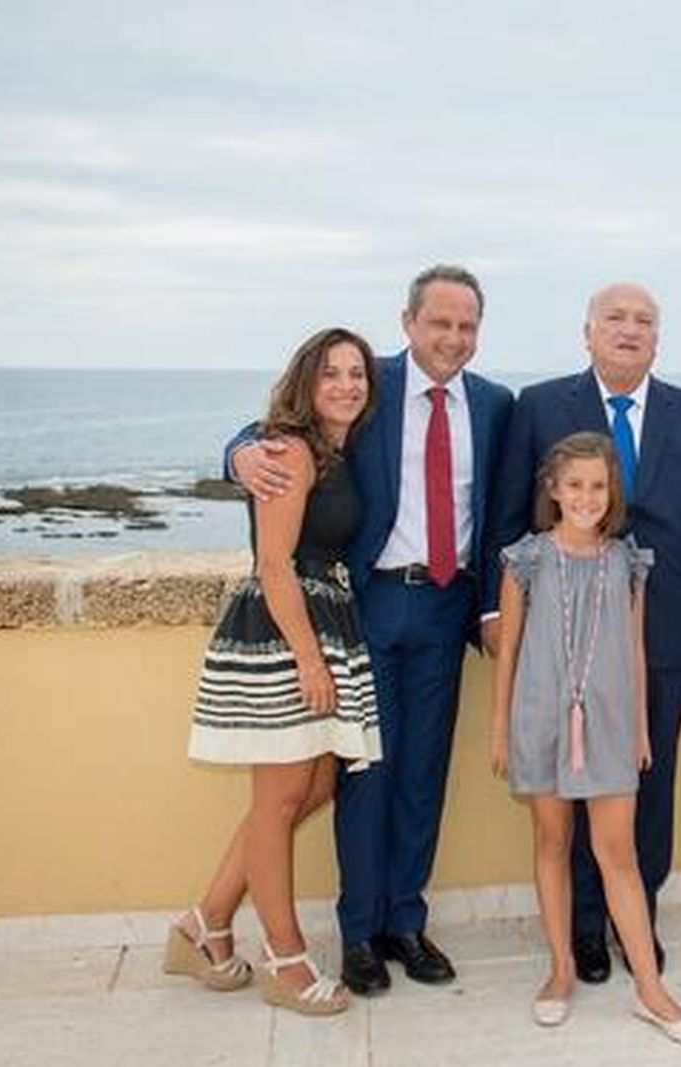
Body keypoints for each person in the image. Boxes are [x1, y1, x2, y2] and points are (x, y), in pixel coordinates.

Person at [228, 266, 514, 995]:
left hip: (448, 608)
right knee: (367, 775)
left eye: (466, 325)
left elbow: (504, 509)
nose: (453, 337)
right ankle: (358, 932)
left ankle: (404, 922)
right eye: (439, 322)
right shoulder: (368, 383)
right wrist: (236, 454)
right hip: (369, 607)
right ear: (409, 322)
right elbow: (283, 428)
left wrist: (488, 606)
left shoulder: (496, 404)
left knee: (423, 773)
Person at [486, 283, 681, 984]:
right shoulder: (538, 406)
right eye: (615, 319)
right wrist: (492, 610)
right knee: (568, 784)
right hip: (559, 634)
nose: (629, 330)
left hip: (665, 630)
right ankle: (584, 929)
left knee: (644, 774)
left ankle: (639, 919)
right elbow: (507, 515)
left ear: (658, 338)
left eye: (645, 321)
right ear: (588, 332)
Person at [168, 327, 382, 1016]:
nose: (347, 384)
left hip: (321, 621)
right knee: (284, 794)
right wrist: (311, 660)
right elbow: (274, 563)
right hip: (284, 631)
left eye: (357, 373)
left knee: (307, 786)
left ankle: (204, 923)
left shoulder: (334, 450)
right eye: (331, 374)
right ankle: (284, 961)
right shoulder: (287, 447)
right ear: (305, 383)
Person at [490, 433, 681, 1045]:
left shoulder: (625, 560)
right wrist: (501, 727)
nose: (587, 496)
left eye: (598, 486)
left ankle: (651, 990)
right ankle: (559, 970)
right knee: (553, 842)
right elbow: (508, 652)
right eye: (575, 485)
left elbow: (634, 649)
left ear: (613, 492)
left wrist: (638, 724)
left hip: (609, 724)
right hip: (541, 719)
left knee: (619, 855)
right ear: (553, 490)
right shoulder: (526, 560)